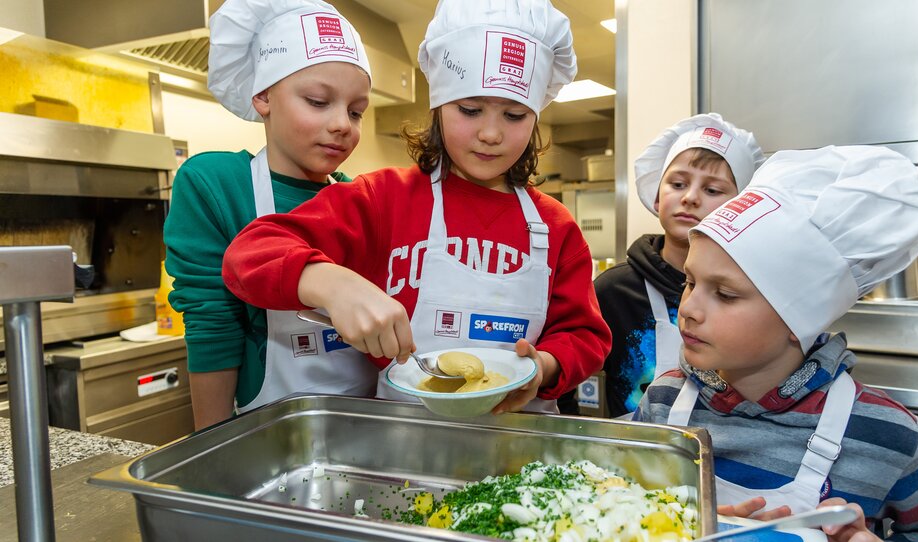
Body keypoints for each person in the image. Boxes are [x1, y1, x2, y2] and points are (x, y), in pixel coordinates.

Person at [222, 0, 611, 414]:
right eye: (470, 109)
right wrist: (330, 283)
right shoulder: (384, 199)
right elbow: (250, 253)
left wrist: (544, 367)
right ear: (438, 107)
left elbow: (584, 334)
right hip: (402, 445)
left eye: (514, 115)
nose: (491, 133)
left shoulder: (553, 227)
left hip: (521, 446)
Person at [634, 145, 918, 541]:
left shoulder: (886, 433)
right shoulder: (665, 401)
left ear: (798, 319)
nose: (689, 308)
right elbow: (623, 503)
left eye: (724, 294)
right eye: (690, 282)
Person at [164, 0, 378, 430]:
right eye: (318, 101)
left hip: (368, 424)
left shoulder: (359, 197)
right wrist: (213, 445)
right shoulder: (218, 183)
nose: (343, 125)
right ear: (262, 96)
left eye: (356, 112)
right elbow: (212, 324)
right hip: (269, 432)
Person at [561, 114, 764, 418]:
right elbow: (578, 388)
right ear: (657, 197)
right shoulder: (613, 291)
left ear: (740, 207)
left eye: (712, 190)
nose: (691, 198)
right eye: (678, 184)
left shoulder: (754, 294)